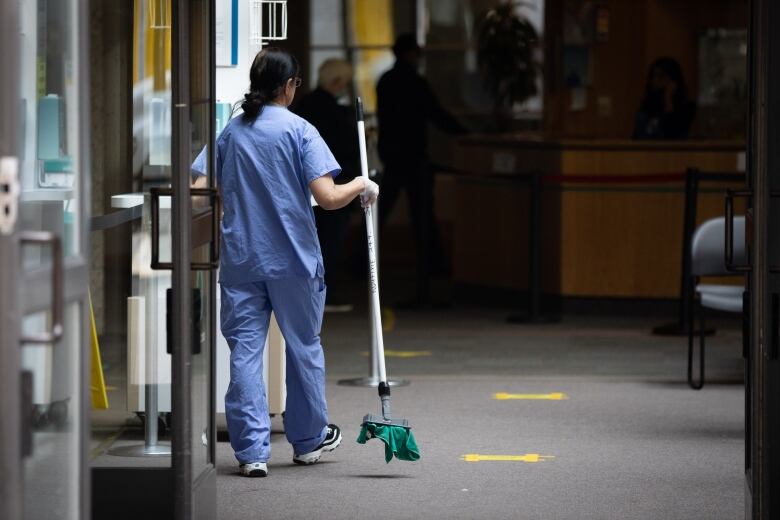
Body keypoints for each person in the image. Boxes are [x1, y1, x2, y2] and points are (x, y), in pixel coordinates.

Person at [192, 48, 379, 477]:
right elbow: (329, 199)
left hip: (241, 259)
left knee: (245, 352)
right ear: (289, 85)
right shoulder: (300, 130)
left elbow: (200, 188)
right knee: (303, 348)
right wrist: (362, 184)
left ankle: (252, 451)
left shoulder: (232, 132)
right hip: (295, 260)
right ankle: (309, 441)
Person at [376, 33, 467, 278]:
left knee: (381, 210)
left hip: (392, 153)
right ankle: (432, 264)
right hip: (414, 155)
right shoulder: (415, 82)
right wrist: (463, 133)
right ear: (409, 54)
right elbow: (435, 113)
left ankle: (361, 261)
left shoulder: (385, 81)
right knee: (423, 212)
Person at [295, 59, 359, 311]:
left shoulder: (305, 105)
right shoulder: (331, 110)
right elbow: (344, 146)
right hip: (332, 181)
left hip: (307, 185)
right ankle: (325, 293)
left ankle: (317, 291)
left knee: (316, 238)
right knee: (330, 241)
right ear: (337, 81)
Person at [632, 57, 696, 140]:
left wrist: (668, 99)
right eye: (653, 76)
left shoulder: (686, 107)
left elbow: (673, 133)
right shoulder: (646, 107)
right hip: (645, 151)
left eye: (661, 77)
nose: (655, 81)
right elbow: (637, 136)